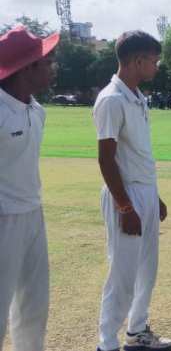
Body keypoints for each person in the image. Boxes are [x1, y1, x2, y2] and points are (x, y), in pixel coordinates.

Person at [93, 30, 171, 351]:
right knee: (122, 275)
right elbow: (106, 158)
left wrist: (153, 196)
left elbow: (137, 154)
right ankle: (106, 343)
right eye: (154, 61)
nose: (157, 66)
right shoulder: (112, 99)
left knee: (146, 270)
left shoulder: (137, 96)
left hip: (144, 192)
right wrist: (125, 206)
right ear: (137, 60)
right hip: (124, 195)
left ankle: (137, 331)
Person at [0, 26, 58, 351]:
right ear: (25, 68)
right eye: (46, 62)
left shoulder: (38, 110)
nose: (52, 67)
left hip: (33, 213)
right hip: (3, 217)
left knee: (34, 304)